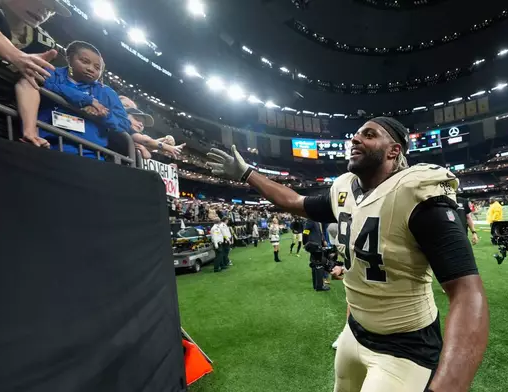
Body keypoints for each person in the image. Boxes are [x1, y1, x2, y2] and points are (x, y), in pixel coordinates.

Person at [207, 116, 488, 392]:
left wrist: (450, 385)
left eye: (369, 134)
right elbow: (294, 201)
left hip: (404, 344)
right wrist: (248, 173)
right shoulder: (344, 189)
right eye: (356, 134)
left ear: (394, 150)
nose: (355, 138)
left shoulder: (418, 195)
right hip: (354, 332)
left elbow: (467, 292)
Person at [15, 40, 131, 155]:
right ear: (70, 59)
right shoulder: (51, 73)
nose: (91, 69)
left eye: (97, 68)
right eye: (85, 61)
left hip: (89, 153)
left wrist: (103, 115)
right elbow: (39, 82)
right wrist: (85, 100)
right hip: (45, 144)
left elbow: (124, 124)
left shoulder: (106, 92)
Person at [119, 96, 183, 159]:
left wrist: (163, 140)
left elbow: (148, 152)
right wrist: (169, 147)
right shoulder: (125, 128)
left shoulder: (133, 134)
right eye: (137, 119)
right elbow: (146, 141)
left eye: (143, 123)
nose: (141, 124)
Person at [302, 220, 330, 292]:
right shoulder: (311, 220)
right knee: (319, 265)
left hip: (318, 244)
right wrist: (306, 243)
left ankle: (316, 285)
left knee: (315, 265)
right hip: (314, 245)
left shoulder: (316, 221)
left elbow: (319, 232)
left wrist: (323, 240)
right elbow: (305, 231)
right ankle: (319, 286)